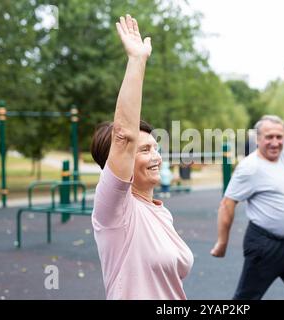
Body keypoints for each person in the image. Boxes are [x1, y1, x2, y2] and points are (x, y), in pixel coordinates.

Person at [90, 14, 193, 300]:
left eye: (155, 147)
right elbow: (123, 137)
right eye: (145, 150)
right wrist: (137, 60)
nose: (157, 156)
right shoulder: (115, 210)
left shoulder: (160, 211)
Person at [210, 64, 284, 300]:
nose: (275, 142)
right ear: (258, 138)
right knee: (245, 300)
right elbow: (227, 204)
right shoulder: (250, 167)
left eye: (279, 136)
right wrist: (222, 242)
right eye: (269, 137)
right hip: (265, 247)